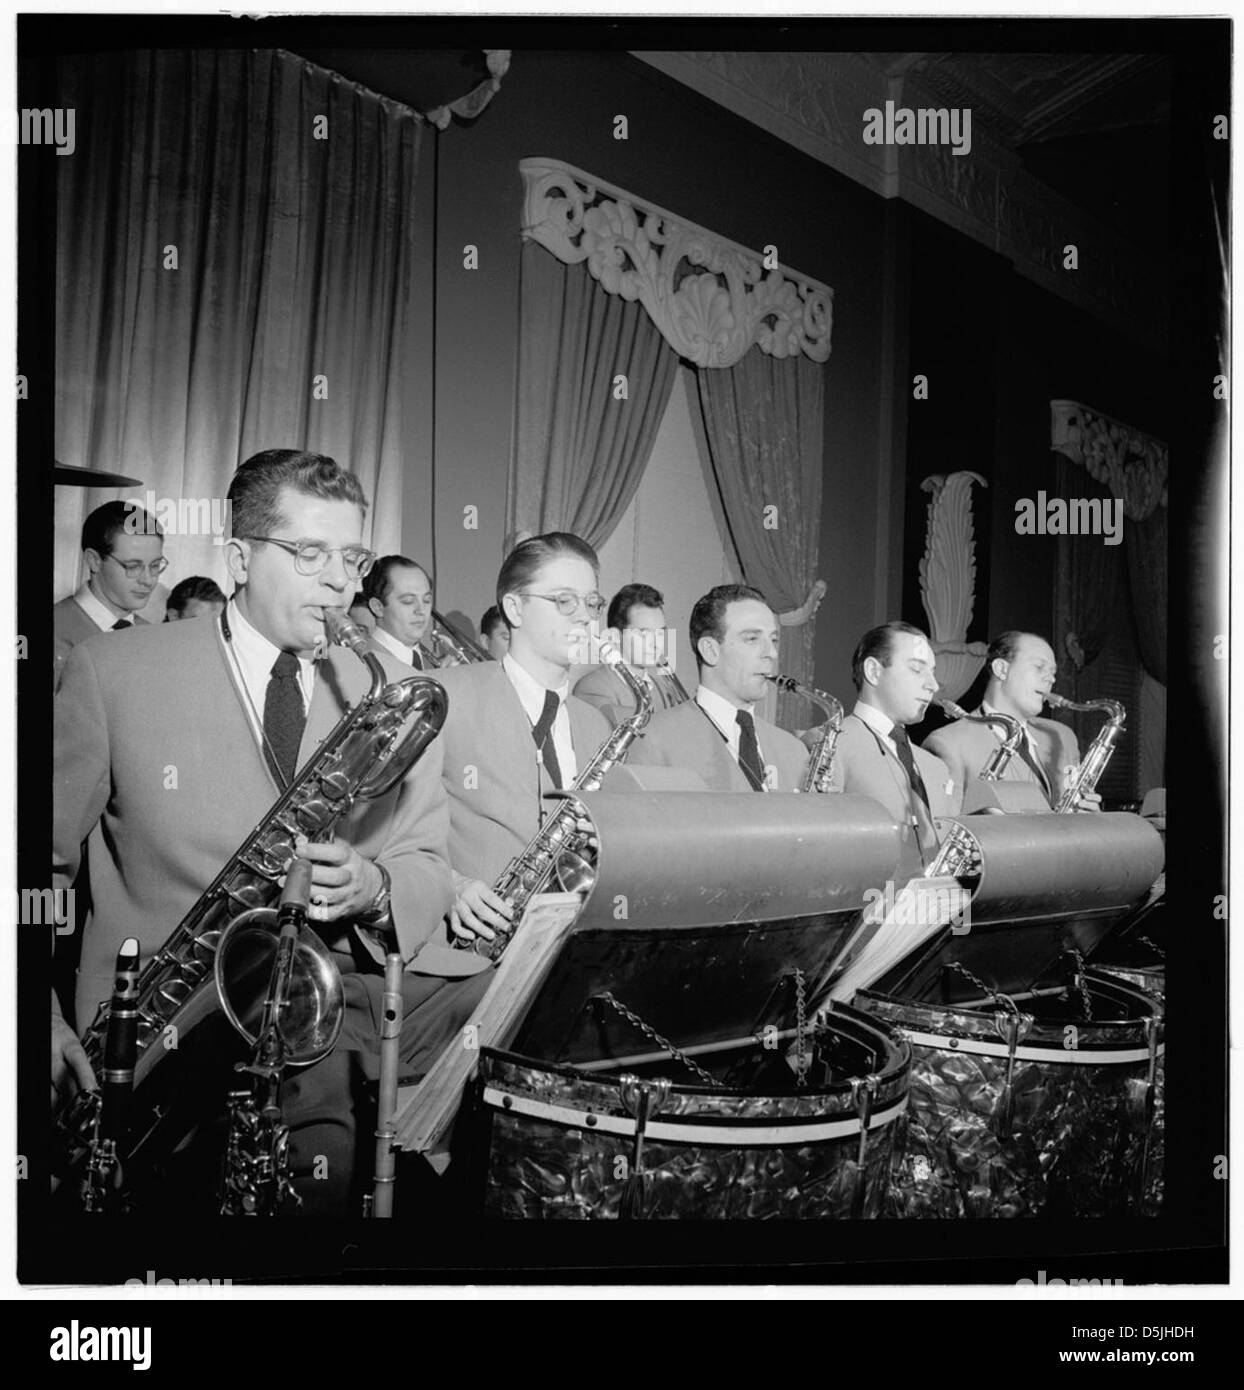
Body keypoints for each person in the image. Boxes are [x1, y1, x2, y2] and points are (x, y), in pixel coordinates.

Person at [52, 448, 488, 1214]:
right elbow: (30, 867)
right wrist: (33, 1016)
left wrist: (376, 887)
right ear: (238, 558)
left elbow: (426, 861)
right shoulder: (111, 672)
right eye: (309, 553)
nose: (339, 582)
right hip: (146, 1061)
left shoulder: (385, 694)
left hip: (319, 1056)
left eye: (349, 557)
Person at [430, 533, 614, 948]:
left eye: (591, 603)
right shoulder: (445, 695)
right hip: (465, 953)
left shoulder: (596, 725)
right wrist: (449, 884)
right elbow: (384, 832)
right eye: (564, 601)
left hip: (568, 947)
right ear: (514, 607)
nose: (584, 617)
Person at [628, 584, 809, 792]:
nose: (771, 653)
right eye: (752, 639)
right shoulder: (653, 740)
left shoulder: (794, 751)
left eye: (774, 639)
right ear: (710, 650)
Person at [829, 621, 961, 879]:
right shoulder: (831, 745)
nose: (933, 685)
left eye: (932, 672)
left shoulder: (936, 766)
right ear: (873, 671)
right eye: (917, 669)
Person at [923, 630, 1100, 811]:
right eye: (1039, 667)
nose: (1051, 679)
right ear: (1001, 669)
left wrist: (1089, 818)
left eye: (1053, 672)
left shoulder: (1062, 736)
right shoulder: (948, 743)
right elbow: (945, 830)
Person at [53, 500, 166, 686]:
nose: (148, 580)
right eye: (133, 566)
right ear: (94, 560)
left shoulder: (153, 637)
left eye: (155, 566)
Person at [573, 582, 686, 727]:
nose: (656, 644)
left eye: (660, 633)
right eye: (643, 633)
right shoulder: (592, 689)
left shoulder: (662, 689)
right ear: (614, 636)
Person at [360, 554, 435, 670]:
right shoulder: (361, 663)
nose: (421, 611)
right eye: (408, 601)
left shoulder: (433, 663)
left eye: (427, 600)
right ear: (378, 607)